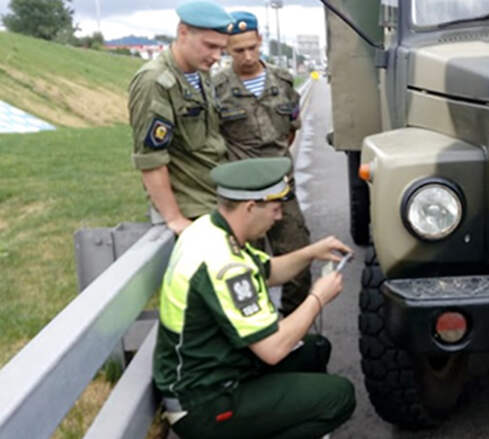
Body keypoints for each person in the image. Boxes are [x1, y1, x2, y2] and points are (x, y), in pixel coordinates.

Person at [152, 157, 356, 439]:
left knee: (315, 349)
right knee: (340, 397)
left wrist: (311, 252)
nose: (279, 217)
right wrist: (318, 298)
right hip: (204, 403)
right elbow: (273, 349)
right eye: (274, 208)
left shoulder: (209, 230)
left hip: (212, 372)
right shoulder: (225, 265)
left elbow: (268, 271)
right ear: (250, 207)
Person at [214, 11, 311, 316]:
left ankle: (292, 327)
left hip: (282, 190)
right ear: (227, 49)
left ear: (259, 41)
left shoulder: (282, 81)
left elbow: (292, 128)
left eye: (251, 47)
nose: (246, 56)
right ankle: (258, 328)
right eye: (238, 50)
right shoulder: (216, 89)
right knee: (245, 268)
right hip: (243, 199)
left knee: (298, 261)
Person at [128, 0, 233, 235]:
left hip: (215, 196)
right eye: (209, 46)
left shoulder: (200, 74)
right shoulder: (155, 82)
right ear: (183, 33)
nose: (216, 56)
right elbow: (151, 159)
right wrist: (174, 219)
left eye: (221, 49)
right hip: (192, 208)